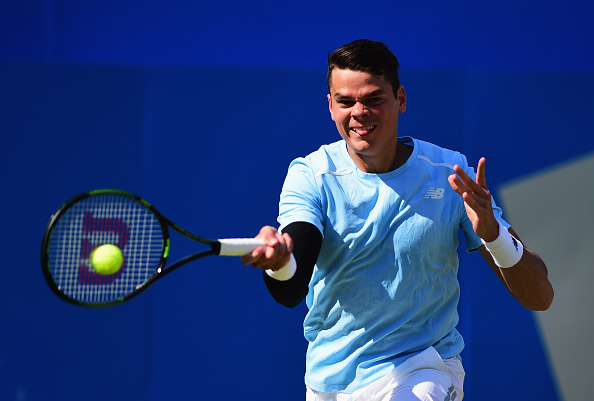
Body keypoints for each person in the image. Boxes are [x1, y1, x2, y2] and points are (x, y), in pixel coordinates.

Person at [241, 39, 554, 401]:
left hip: (425, 369)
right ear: (330, 106)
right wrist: (280, 263)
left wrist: (495, 234)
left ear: (400, 99)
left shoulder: (450, 175)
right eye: (345, 101)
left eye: (374, 99)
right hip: (330, 382)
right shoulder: (311, 175)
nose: (359, 112)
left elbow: (540, 296)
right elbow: (292, 285)